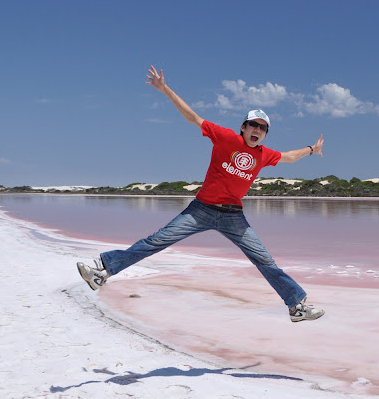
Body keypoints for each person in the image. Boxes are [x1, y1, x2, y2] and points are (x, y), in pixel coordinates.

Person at [77, 66, 325, 322]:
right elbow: (193, 117)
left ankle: (296, 306)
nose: (257, 130)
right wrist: (165, 89)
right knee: (156, 241)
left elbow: (289, 157)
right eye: (253, 125)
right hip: (201, 210)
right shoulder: (226, 138)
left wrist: (311, 149)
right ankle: (102, 271)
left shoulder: (264, 155)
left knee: (264, 259)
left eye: (263, 128)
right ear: (243, 127)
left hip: (233, 217)